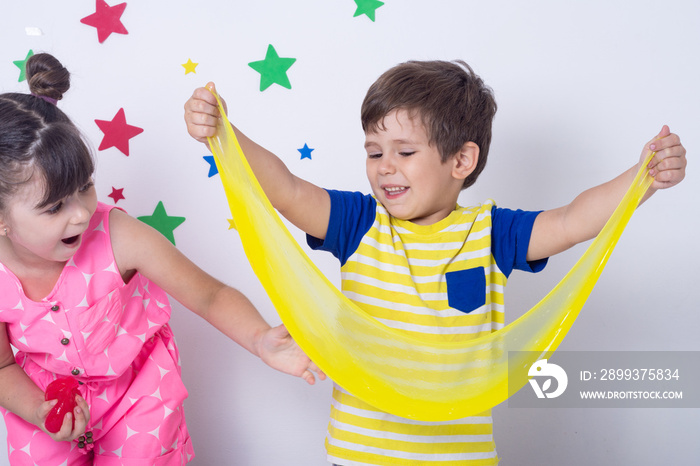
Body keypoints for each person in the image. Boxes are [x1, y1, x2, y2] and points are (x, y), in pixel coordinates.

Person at [183, 60, 686, 465]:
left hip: (459, 458)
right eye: (374, 152)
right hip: (362, 455)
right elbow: (286, 188)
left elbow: (574, 220)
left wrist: (642, 178)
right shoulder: (359, 223)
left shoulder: (491, 233)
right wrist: (224, 134)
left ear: (461, 161)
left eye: (404, 151)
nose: (384, 168)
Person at [0, 53, 323, 466]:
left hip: (138, 398)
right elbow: (3, 367)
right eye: (54, 207)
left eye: (85, 188)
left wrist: (260, 339)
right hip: (42, 400)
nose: (81, 213)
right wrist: (37, 411)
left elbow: (209, 294)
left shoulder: (118, 236)